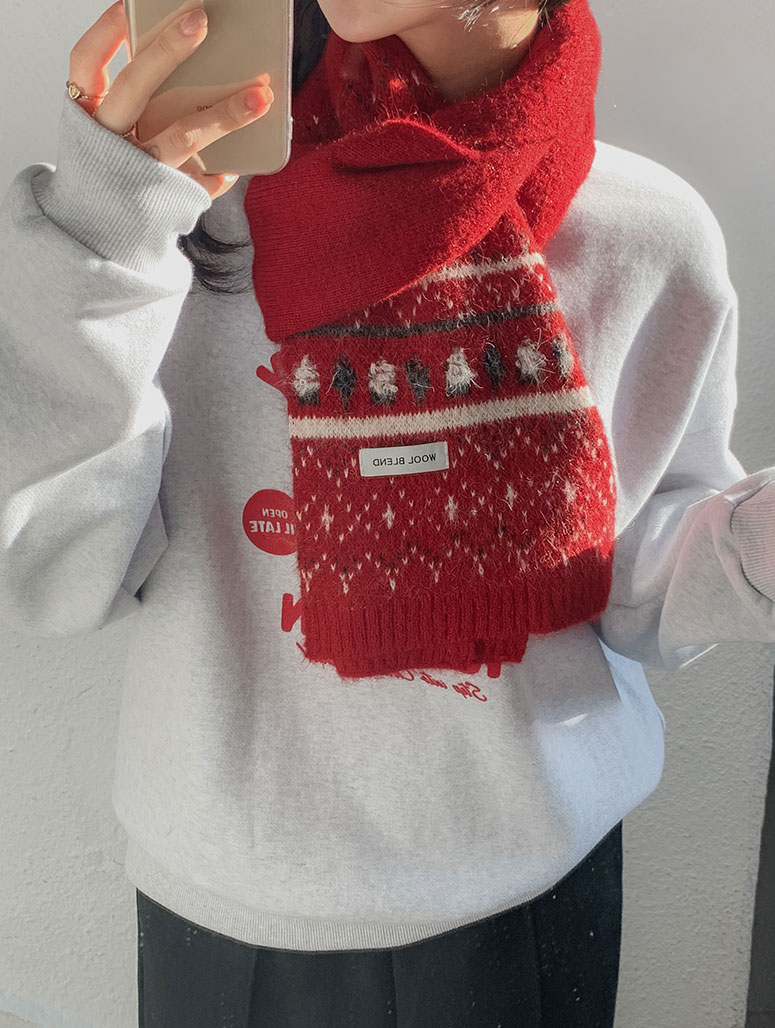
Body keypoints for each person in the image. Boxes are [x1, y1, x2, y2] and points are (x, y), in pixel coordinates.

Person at [1, 0, 774, 1023]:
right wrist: (102, 235)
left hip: (529, 897)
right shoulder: (178, 214)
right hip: (225, 899)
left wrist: (754, 547)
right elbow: (50, 575)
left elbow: (630, 585)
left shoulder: (646, 230)